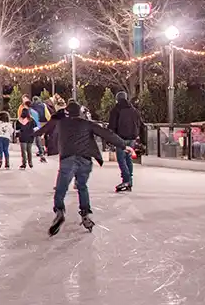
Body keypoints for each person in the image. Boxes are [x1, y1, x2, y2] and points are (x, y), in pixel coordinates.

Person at [35, 100, 134, 235]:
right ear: (81, 113)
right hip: (85, 160)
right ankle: (85, 213)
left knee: (61, 187)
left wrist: (29, 135)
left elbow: (46, 127)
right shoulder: (87, 124)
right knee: (82, 186)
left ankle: (59, 211)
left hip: (68, 159)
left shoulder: (61, 123)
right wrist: (124, 146)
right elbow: (106, 133)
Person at [106, 91, 142, 192]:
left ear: (117, 99)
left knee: (121, 160)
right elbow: (139, 123)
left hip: (120, 139)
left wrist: (110, 139)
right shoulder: (134, 110)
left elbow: (112, 125)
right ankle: (129, 181)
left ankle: (126, 180)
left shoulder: (116, 110)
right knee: (128, 159)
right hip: (132, 138)